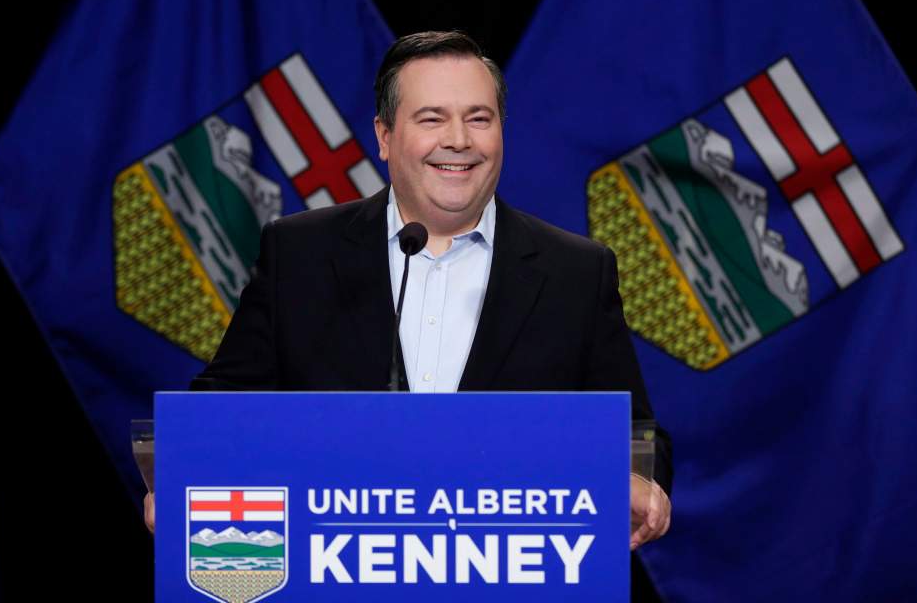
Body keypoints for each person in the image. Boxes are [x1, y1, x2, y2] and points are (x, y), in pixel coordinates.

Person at [146, 31, 672, 585]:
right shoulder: (300, 253)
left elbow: (636, 433)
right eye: (431, 119)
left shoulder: (577, 271)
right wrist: (182, 467)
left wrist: (640, 478)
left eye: (478, 118)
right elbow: (225, 401)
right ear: (384, 135)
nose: (458, 140)